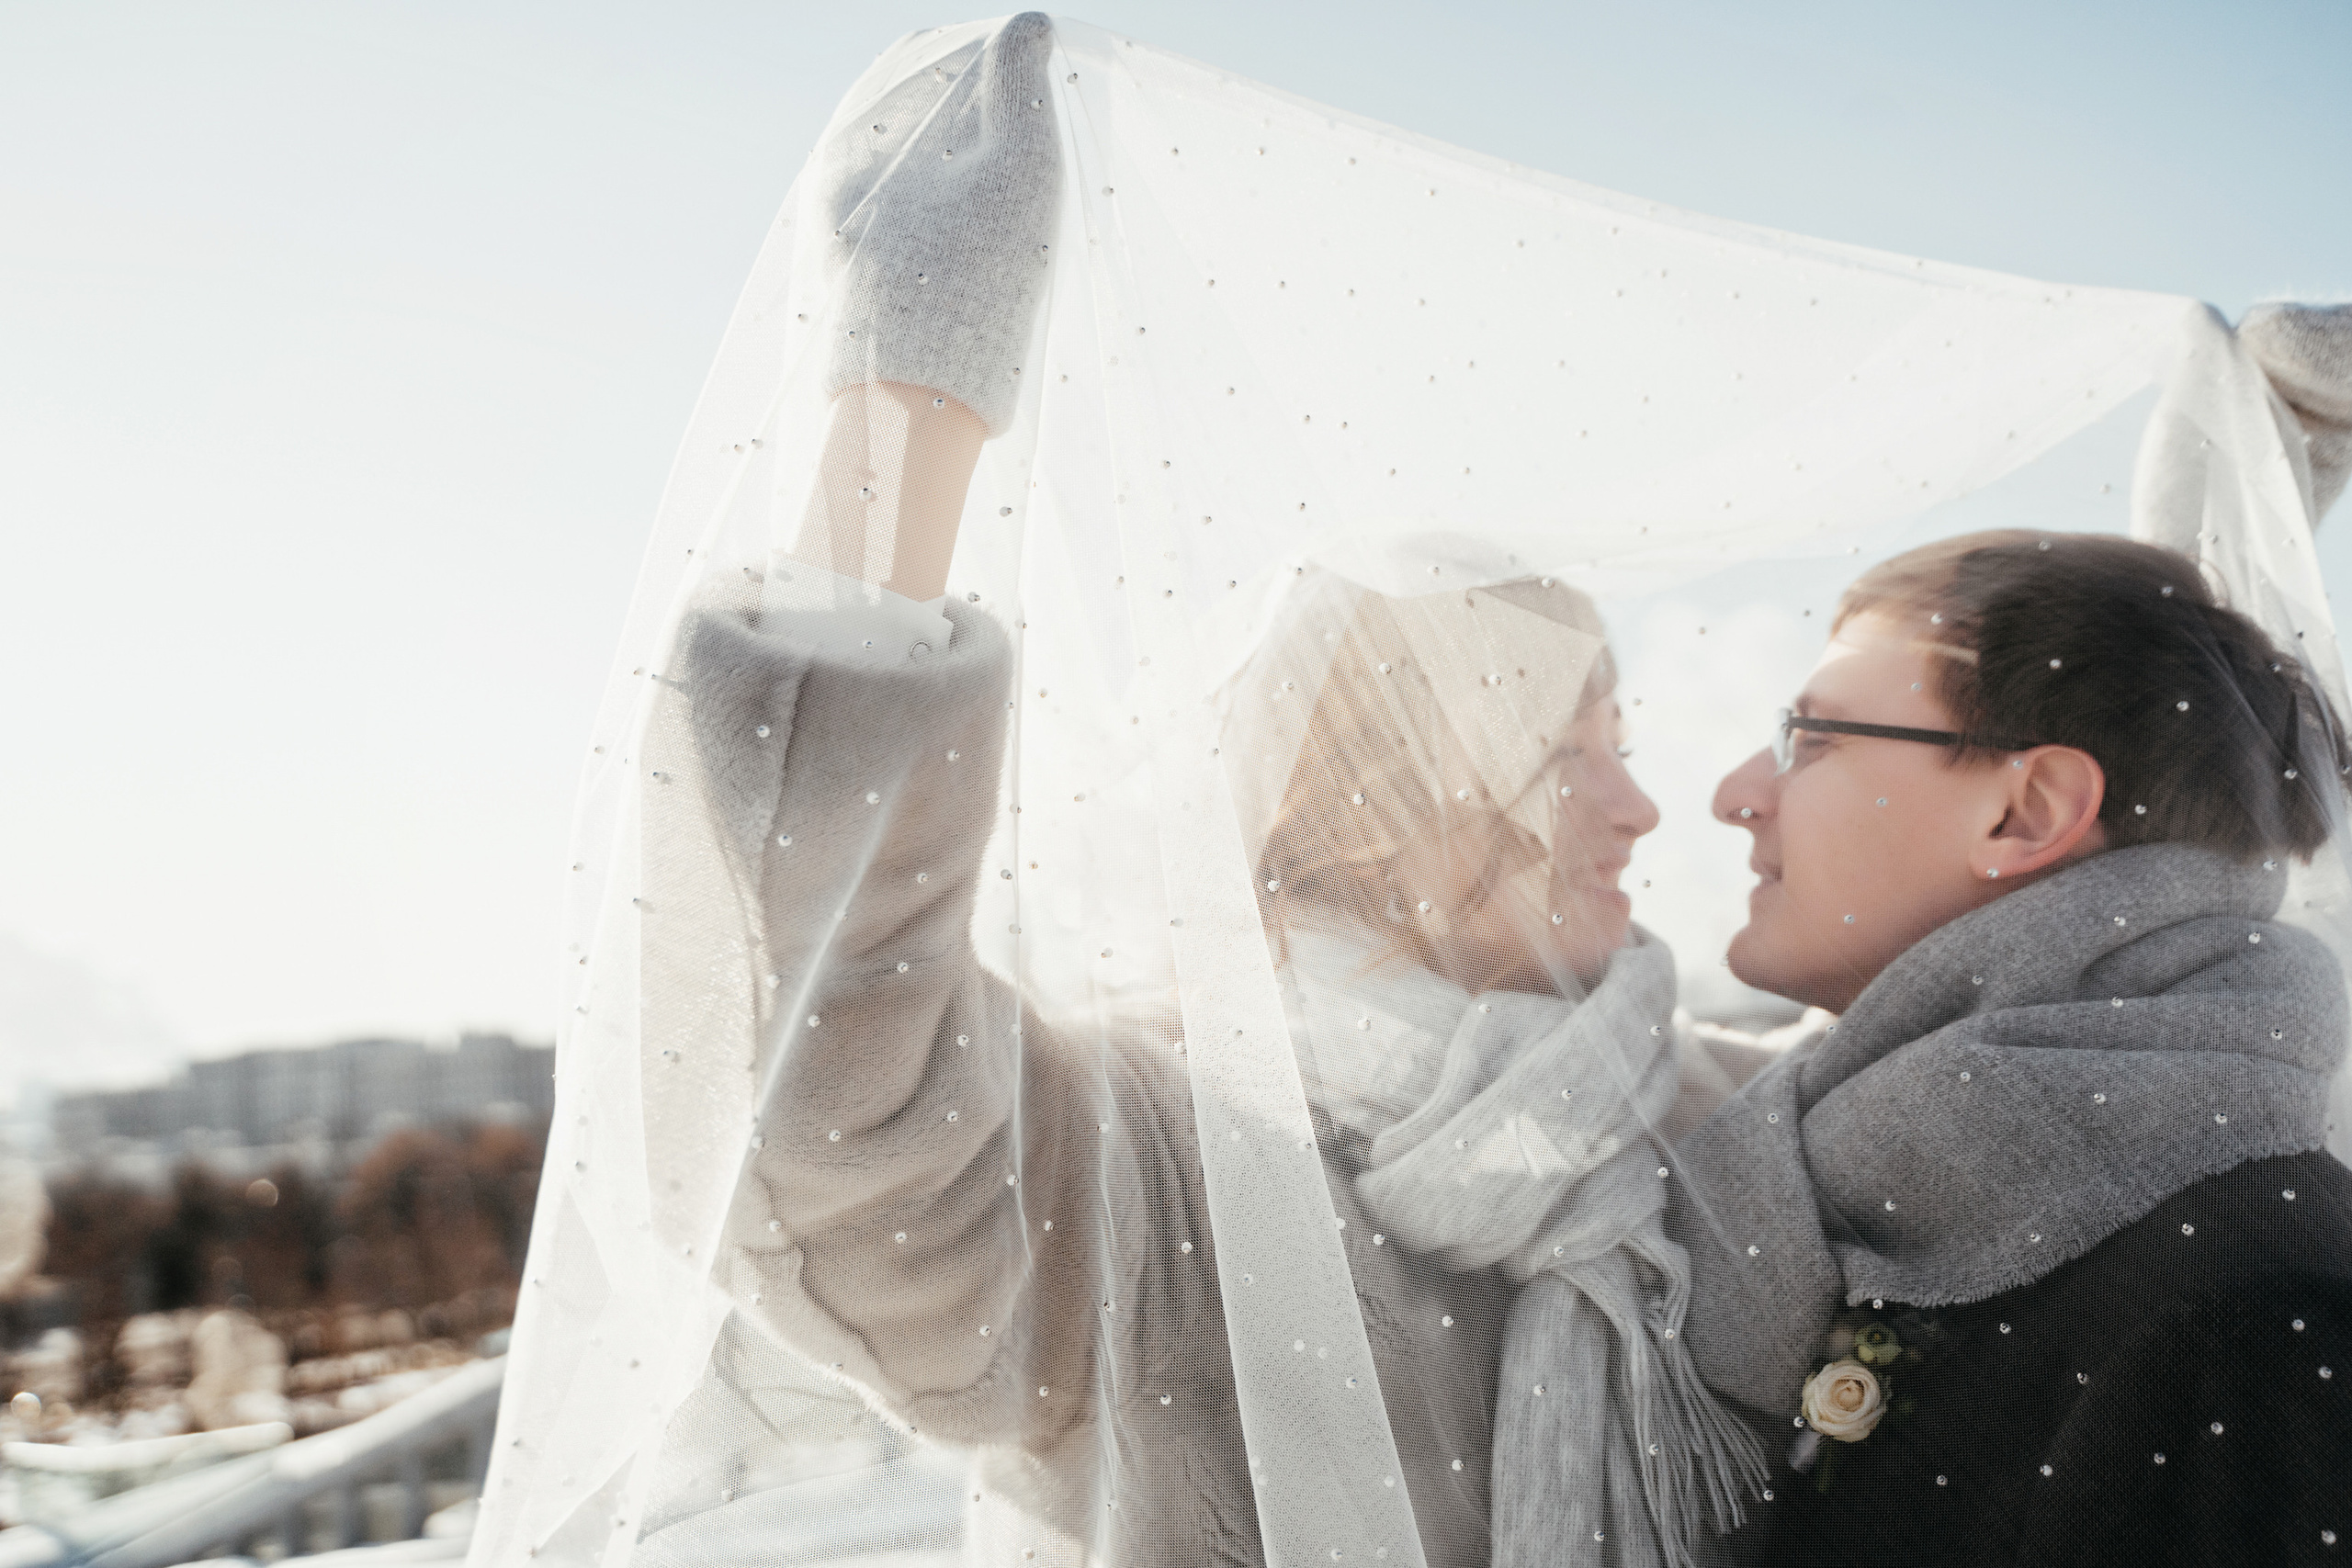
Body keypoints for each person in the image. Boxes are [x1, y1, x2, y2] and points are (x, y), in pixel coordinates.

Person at [669, 15, 1770, 1566]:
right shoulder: (1159, 1163)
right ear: (1400, 798)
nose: (1644, 808)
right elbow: (827, 1090)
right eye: (1570, 749)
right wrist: (906, 402)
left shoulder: (1710, 1105)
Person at [1675, 529, 2352, 1564]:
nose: (1735, 794)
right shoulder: (1869, 1196)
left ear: (2024, 811)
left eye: (1811, 739)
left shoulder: (2248, 1306)